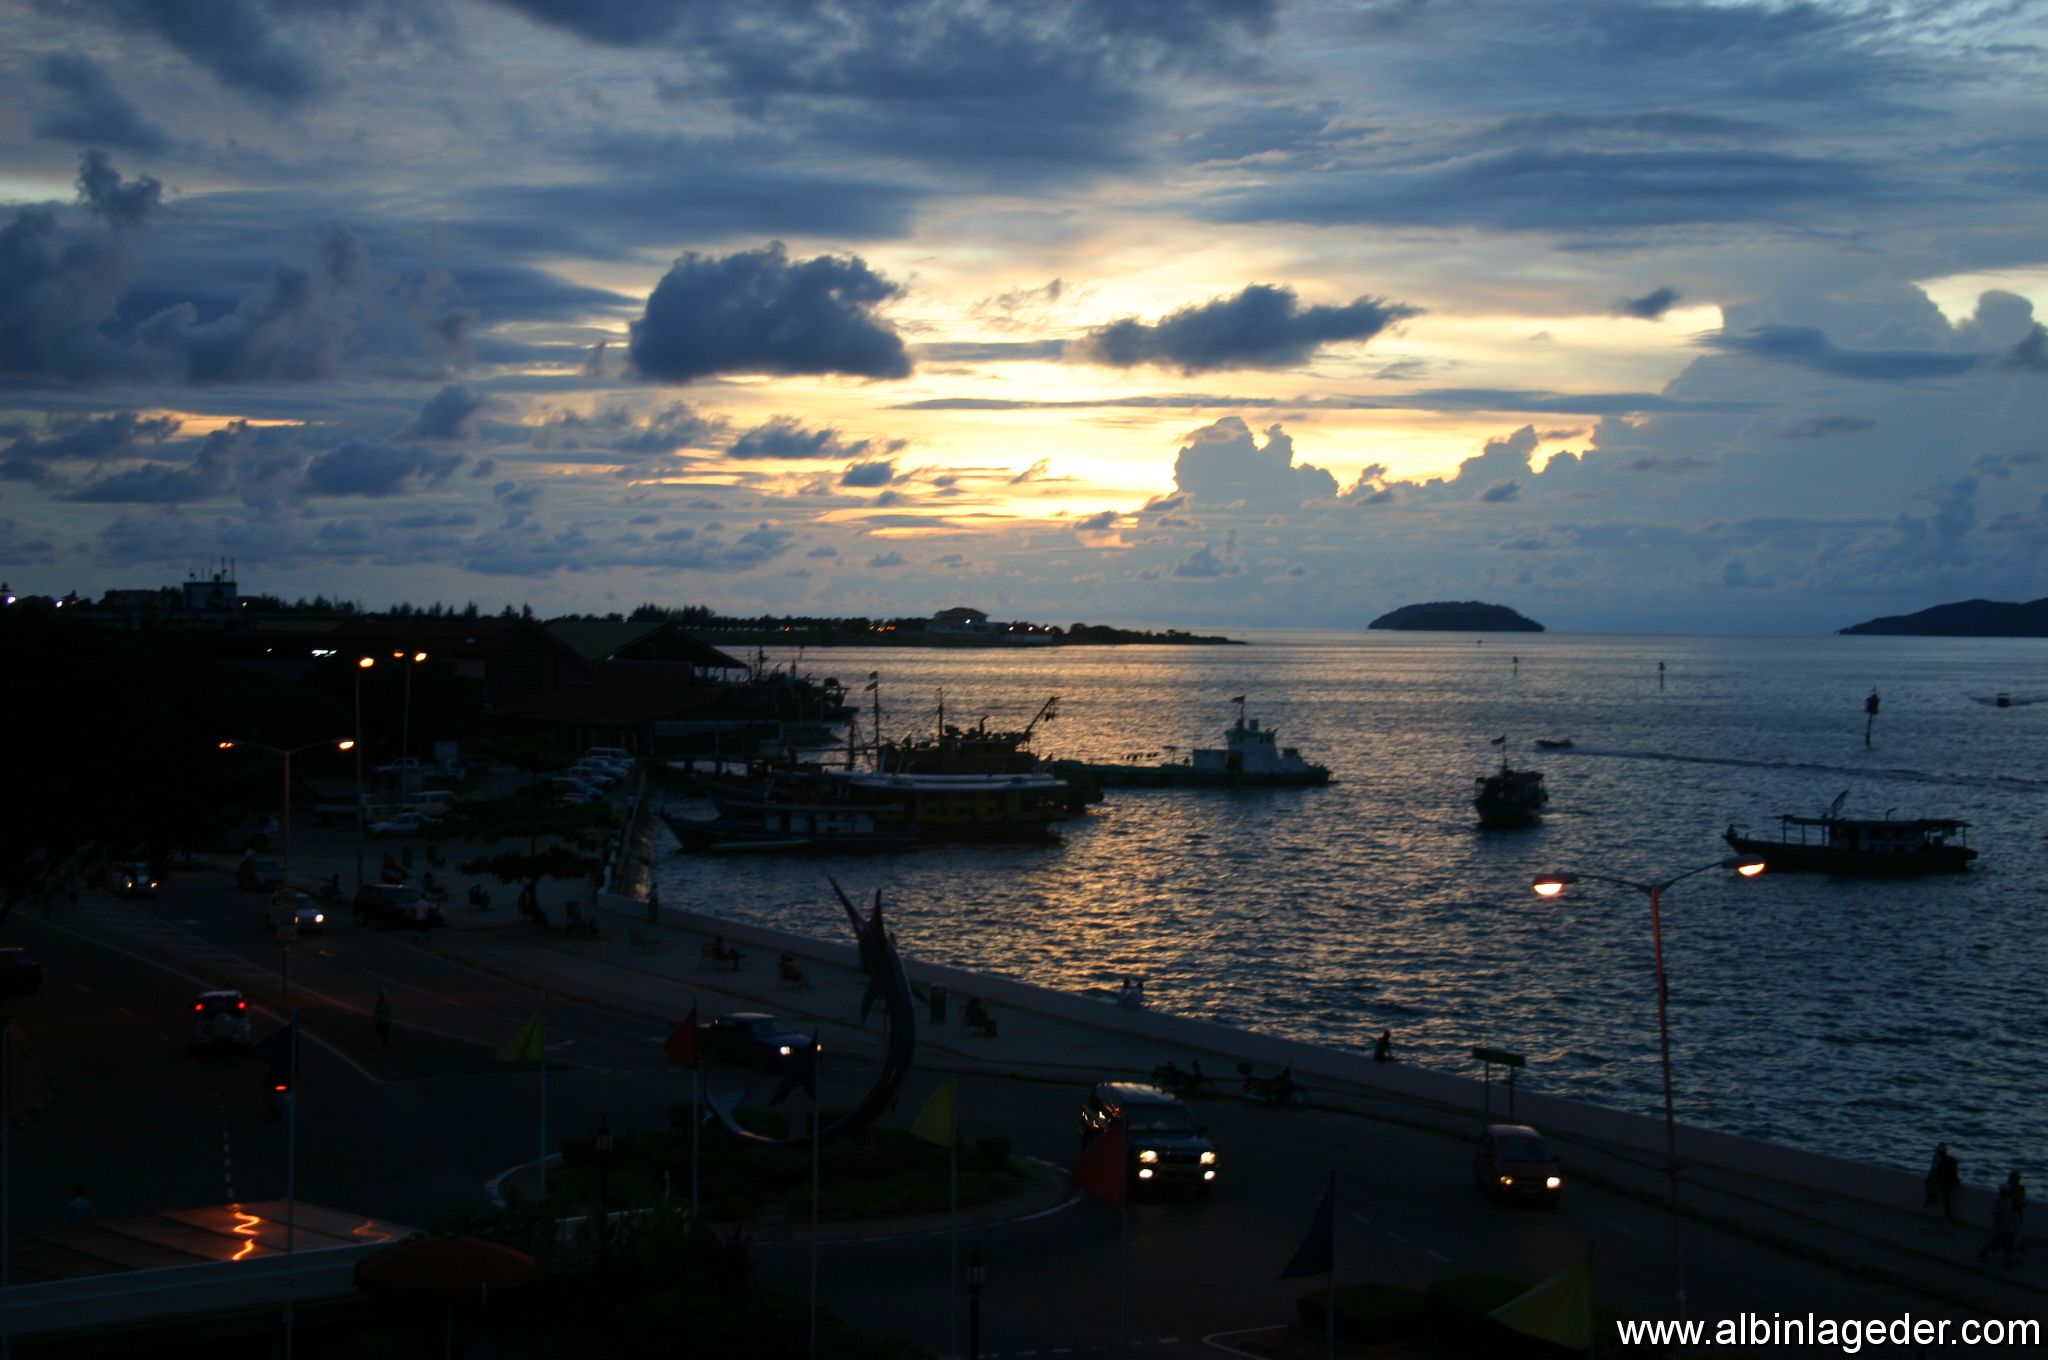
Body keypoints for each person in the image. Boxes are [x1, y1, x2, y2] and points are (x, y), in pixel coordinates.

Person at [1981, 1177, 2020, 1269]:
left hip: (2007, 1227)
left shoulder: (2008, 1200)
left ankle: (2007, 1262)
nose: (2008, 1191)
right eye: (2006, 1190)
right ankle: (1984, 1252)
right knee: (1996, 1244)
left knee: (2008, 1245)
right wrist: (2004, 1225)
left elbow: (2010, 1212)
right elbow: (1997, 1215)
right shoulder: (1997, 1201)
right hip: (2000, 1228)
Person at [1925, 1143, 1962, 1222]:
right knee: (1945, 1196)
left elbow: (1936, 1173)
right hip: (1952, 1182)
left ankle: (1932, 1198)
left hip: (1945, 1183)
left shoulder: (1941, 1162)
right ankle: (1947, 1215)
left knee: (1930, 1183)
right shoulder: (1952, 1159)